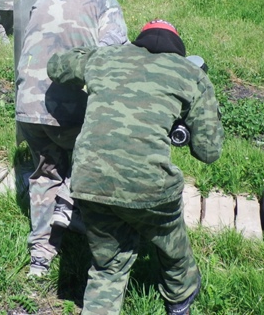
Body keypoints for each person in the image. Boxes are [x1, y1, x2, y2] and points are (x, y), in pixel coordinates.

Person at [46, 19, 223, 315]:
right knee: (172, 246)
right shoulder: (190, 74)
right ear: (178, 49)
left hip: (90, 179)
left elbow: (57, 66)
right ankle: (180, 301)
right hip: (150, 185)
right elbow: (208, 151)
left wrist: (96, 55)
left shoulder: (106, 56)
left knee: (107, 265)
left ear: (139, 41)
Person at [15, 0, 128, 277]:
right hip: (69, 106)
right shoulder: (104, 1)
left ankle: (41, 254)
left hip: (27, 104)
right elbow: (113, 50)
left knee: (44, 174)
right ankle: (70, 204)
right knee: (95, 157)